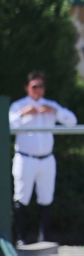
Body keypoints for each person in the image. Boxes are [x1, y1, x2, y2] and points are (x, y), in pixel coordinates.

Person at [8, 72, 77, 246]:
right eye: (34, 86)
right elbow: (8, 124)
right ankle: (21, 238)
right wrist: (24, 114)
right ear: (27, 88)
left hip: (46, 159)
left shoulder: (50, 105)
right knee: (22, 197)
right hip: (26, 158)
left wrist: (55, 112)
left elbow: (72, 121)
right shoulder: (18, 106)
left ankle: (44, 238)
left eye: (41, 86)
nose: (38, 90)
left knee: (46, 197)